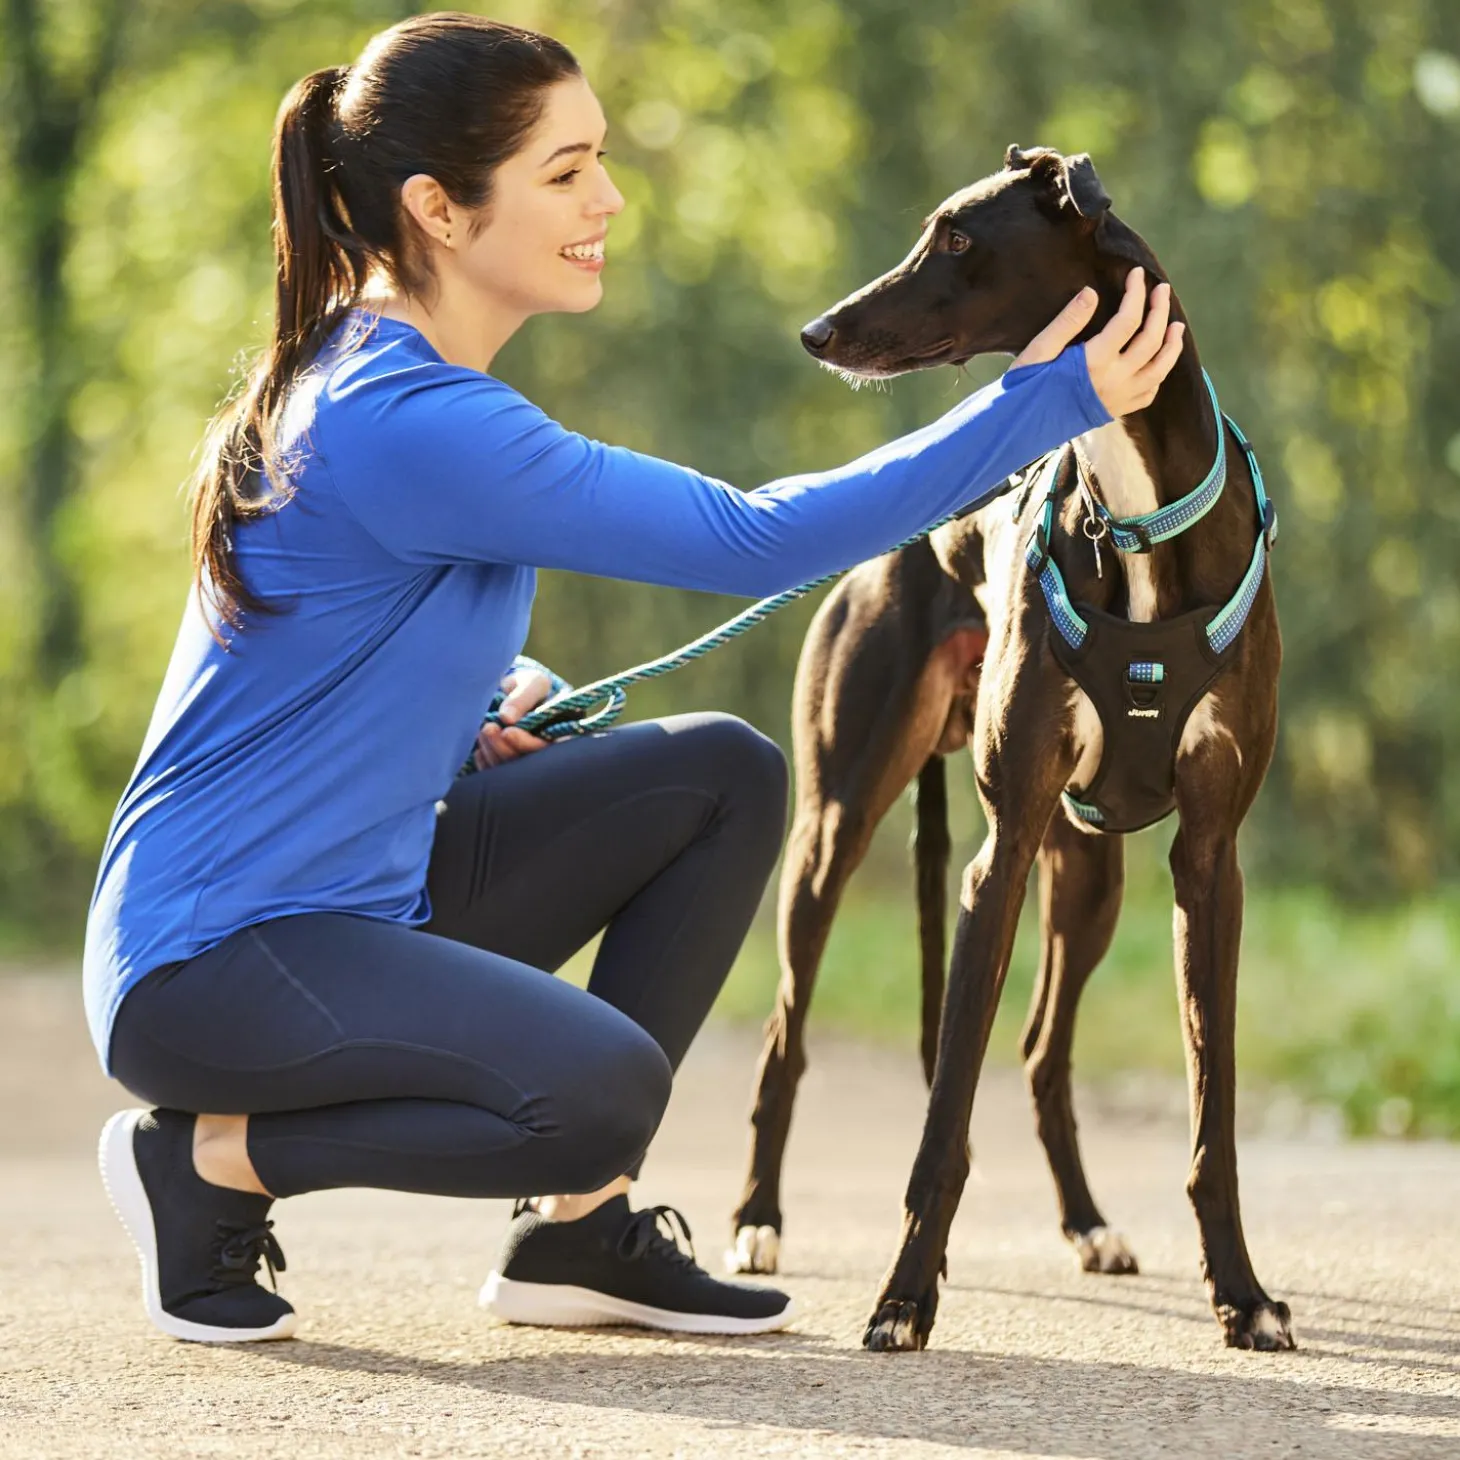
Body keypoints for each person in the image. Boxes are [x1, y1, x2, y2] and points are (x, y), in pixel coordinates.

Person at [83, 12, 1184, 1345]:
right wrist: (1050, 401)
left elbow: (333, 639)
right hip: (216, 961)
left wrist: (489, 698)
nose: (606, 198)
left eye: (598, 158)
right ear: (439, 209)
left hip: (365, 894)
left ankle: (576, 1237)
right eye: (565, 171)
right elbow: (749, 540)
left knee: (721, 774)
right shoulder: (403, 416)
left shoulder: (388, 377)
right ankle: (203, 1165)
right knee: (599, 1090)